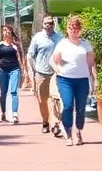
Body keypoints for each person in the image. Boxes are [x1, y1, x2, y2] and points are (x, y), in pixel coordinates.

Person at [50, 15, 96, 147]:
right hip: (65, 80)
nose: (73, 31)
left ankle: (78, 130)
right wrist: (58, 69)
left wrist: (94, 79)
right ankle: (69, 132)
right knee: (68, 105)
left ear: (79, 29)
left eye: (76, 28)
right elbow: (54, 60)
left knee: (81, 108)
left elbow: (91, 63)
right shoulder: (62, 44)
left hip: (82, 80)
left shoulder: (85, 44)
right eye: (71, 28)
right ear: (67, 30)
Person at [27, 14, 62, 135]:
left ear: (54, 24)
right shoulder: (37, 38)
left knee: (55, 99)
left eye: (51, 23)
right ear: (42, 24)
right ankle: (45, 121)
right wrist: (32, 71)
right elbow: (30, 55)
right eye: (46, 23)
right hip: (41, 74)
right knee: (42, 101)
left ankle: (56, 123)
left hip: (55, 74)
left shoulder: (59, 38)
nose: (49, 25)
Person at [0, 24, 24, 124]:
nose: (6, 32)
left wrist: (23, 71)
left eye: (8, 30)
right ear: (2, 33)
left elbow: (20, 58)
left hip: (14, 70)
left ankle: (15, 114)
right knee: (3, 93)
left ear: (11, 32)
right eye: (4, 30)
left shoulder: (15, 45)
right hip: (3, 71)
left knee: (14, 92)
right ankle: (3, 112)